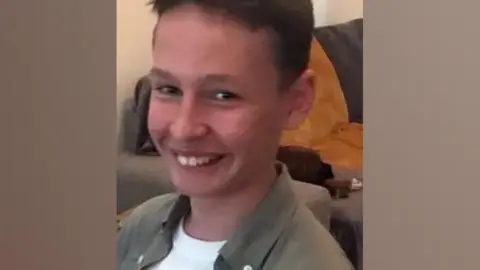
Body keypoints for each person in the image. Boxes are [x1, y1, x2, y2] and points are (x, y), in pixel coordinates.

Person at [117, 0, 353, 269]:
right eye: (169, 89)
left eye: (223, 95)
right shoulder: (141, 225)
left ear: (297, 101)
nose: (183, 129)